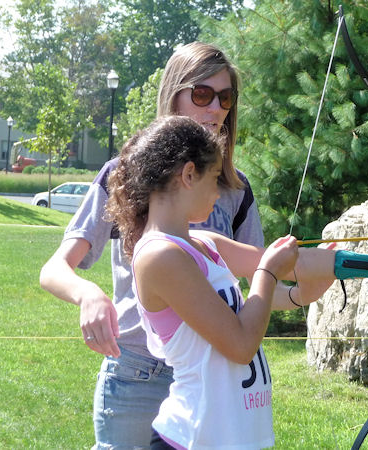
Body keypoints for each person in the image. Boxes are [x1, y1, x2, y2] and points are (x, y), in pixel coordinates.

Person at [105, 115, 368, 449]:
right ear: (189, 174)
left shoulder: (205, 243)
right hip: (191, 439)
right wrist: (266, 274)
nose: (219, 193)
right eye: (216, 178)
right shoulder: (159, 256)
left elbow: (299, 262)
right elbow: (240, 344)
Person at [39, 42, 265, 448]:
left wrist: (318, 279)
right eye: (202, 94)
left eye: (225, 97)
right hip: (136, 373)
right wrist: (88, 295)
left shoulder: (234, 187)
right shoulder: (124, 173)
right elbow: (54, 269)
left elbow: (260, 278)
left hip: (212, 381)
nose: (216, 108)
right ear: (173, 95)